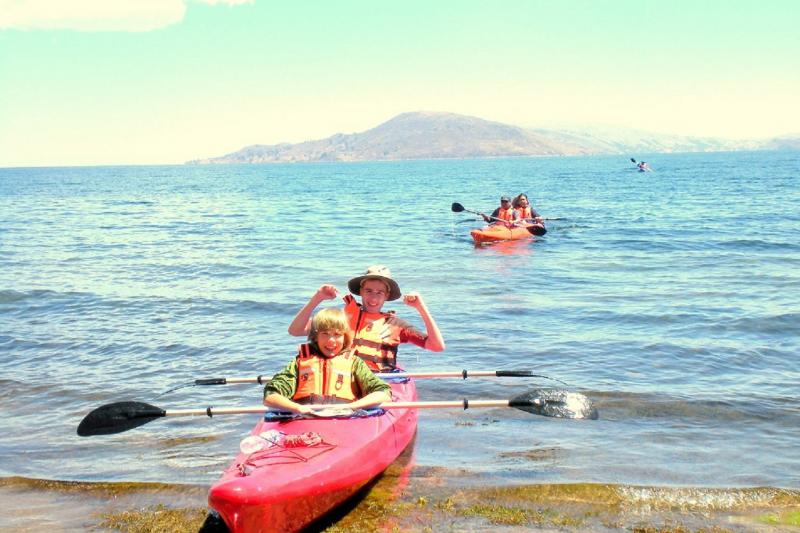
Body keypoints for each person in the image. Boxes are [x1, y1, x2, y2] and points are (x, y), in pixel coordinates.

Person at [287, 265, 445, 372]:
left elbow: (437, 346)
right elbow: (295, 330)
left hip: (375, 382)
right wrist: (318, 297)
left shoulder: (397, 325)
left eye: (379, 292)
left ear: (387, 296)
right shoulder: (341, 319)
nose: (373, 297)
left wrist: (421, 308)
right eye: (368, 291)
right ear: (360, 292)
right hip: (341, 379)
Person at [265, 308, 391, 415]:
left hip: (344, 418)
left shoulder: (354, 363)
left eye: (337, 334)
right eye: (325, 334)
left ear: (345, 337)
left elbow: (383, 392)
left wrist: (351, 407)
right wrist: (298, 408)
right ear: (315, 337)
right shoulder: (300, 362)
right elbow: (271, 395)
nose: (331, 340)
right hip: (304, 417)